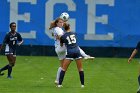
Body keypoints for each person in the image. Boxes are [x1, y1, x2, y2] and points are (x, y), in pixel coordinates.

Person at [49, 18, 94, 84]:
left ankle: (57, 80)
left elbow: (57, 36)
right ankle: (85, 55)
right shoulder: (58, 29)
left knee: (62, 65)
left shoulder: (55, 28)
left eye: (62, 22)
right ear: (57, 23)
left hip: (58, 49)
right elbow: (60, 37)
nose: (62, 23)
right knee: (75, 45)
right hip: (61, 47)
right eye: (60, 22)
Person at [58, 23, 84, 88]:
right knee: (80, 69)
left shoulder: (63, 36)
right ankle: (82, 85)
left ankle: (60, 84)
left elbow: (61, 45)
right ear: (69, 27)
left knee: (64, 69)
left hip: (70, 52)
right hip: (77, 51)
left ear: (64, 28)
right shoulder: (73, 33)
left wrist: (60, 39)